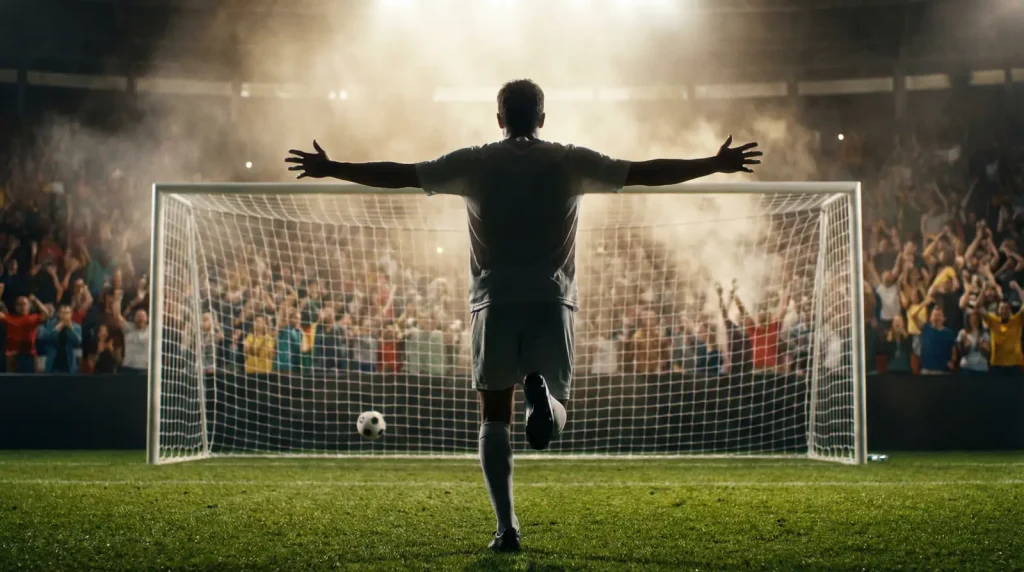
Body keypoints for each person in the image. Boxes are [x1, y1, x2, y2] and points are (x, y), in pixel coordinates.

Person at [285, 78, 760, 552]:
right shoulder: (569, 159)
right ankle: (543, 402)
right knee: (557, 411)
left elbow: (401, 173)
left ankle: (506, 527)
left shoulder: (474, 161)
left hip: (493, 301)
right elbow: (644, 172)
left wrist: (334, 167)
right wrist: (713, 164)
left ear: (499, 118)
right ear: (542, 117)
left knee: (494, 415)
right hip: (553, 300)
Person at [980, 281, 1024, 376]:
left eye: (1006, 308)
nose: (1004, 311)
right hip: (996, 365)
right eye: (1001, 308)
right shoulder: (993, 320)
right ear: (998, 310)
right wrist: (983, 290)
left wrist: (1017, 287)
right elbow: (979, 307)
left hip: (1014, 364)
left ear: (1010, 310)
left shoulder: (1017, 320)